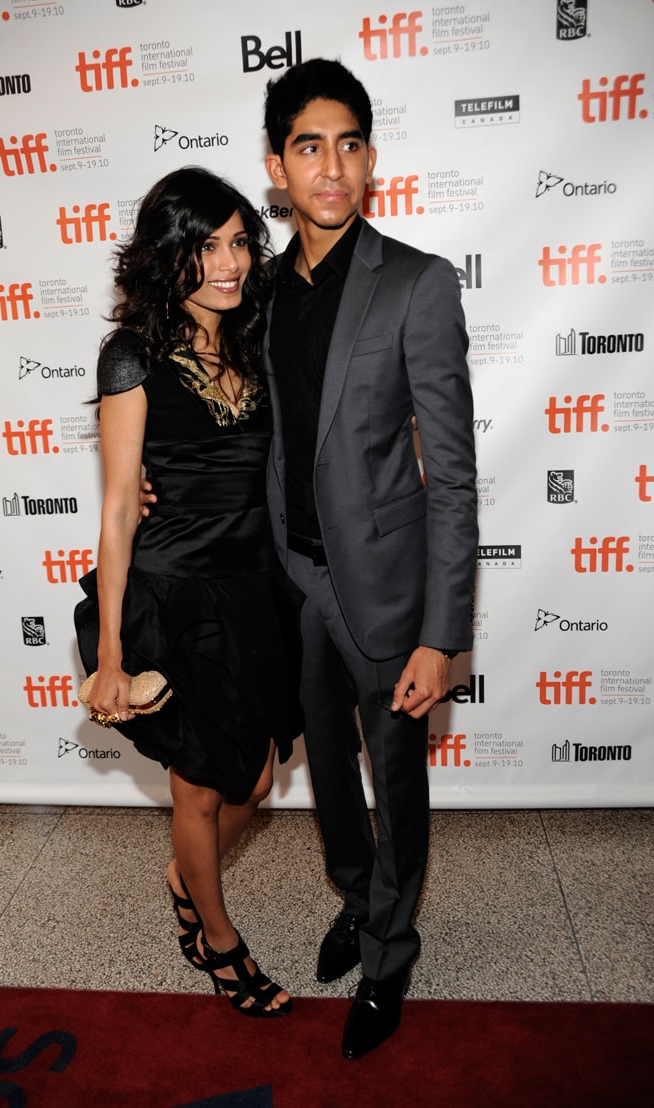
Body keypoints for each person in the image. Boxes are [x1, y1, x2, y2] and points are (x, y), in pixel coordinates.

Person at [261, 59, 478, 1058]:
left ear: (371, 158)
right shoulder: (258, 292)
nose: (332, 165)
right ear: (278, 168)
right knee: (328, 778)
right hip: (292, 585)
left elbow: (455, 471)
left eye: (349, 143)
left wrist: (444, 634)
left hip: (384, 592)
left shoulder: (419, 284)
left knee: (396, 779)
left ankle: (390, 950)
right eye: (310, 146)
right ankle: (356, 894)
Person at [74, 166, 302, 1018]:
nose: (229, 263)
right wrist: (110, 656)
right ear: (170, 255)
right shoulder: (131, 356)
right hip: (173, 596)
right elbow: (117, 513)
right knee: (201, 787)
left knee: (253, 782)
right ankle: (218, 940)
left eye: (240, 241)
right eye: (206, 246)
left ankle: (181, 873)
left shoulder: (252, 332)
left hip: (251, 589)